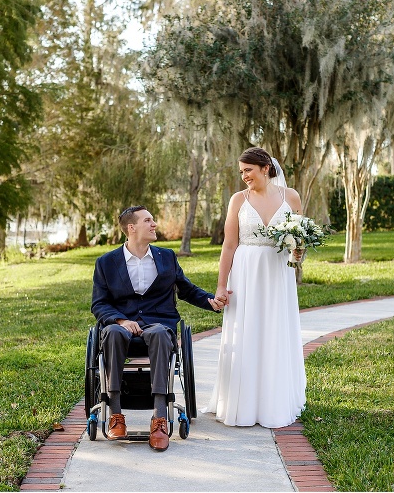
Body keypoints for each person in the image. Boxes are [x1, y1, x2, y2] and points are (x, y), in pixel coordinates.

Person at [91, 205, 226, 451]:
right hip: (122, 326)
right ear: (131, 228)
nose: (154, 224)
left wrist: (211, 302)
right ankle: (116, 416)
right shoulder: (106, 263)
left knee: (162, 335)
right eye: (148, 220)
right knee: (110, 333)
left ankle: (160, 419)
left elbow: (187, 289)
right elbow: (99, 304)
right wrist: (121, 320)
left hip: (158, 324)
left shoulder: (166, 257)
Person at [204, 147, 307, 428]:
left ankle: (274, 401)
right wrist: (221, 285)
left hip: (277, 273)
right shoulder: (238, 200)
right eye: (241, 172)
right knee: (245, 331)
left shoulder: (292, 197)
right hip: (246, 271)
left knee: (275, 330)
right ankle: (243, 403)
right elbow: (229, 244)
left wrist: (298, 253)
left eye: (248, 170)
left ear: (265, 168)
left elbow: (299, 242)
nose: (244, 176)